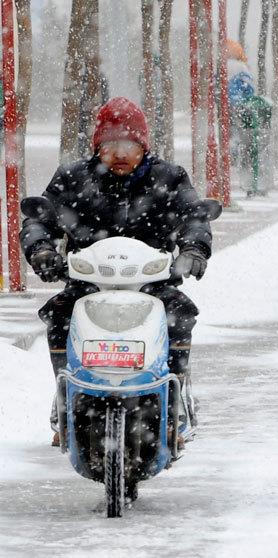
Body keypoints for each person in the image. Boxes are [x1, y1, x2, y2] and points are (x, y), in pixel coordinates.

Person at [20, 97, 213, 446]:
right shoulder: (73, 178)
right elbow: (39, 220)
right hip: (87, 284)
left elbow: (193, 217)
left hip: (152, 284)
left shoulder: (169, 178)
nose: (120, 154)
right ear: (97, 147)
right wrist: (42, 250)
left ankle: (174, 401)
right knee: (58, 314)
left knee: (179, 314)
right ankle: (65, 398)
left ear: (144, 146)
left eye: (130, 145)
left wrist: (194, 249)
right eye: (111, 146)